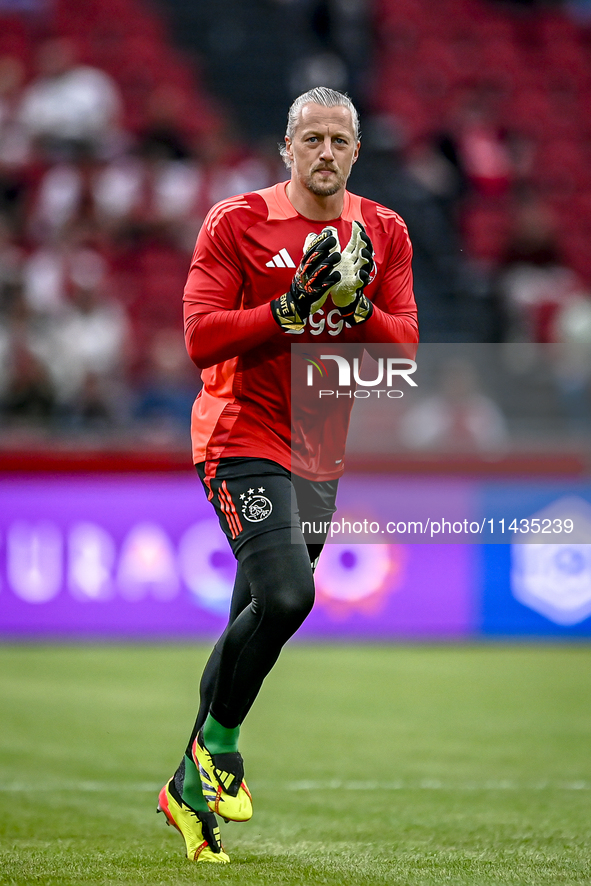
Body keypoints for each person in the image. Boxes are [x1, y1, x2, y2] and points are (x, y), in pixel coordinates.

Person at [156, 86, 418, 863]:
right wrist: (285, 311)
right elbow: (200, 339)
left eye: (339, 140)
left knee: (258, 621)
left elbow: (401, 353)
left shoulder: (384, 232)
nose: (326, 152)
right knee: (286, 595)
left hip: (318, 451)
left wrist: (354, 300)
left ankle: (185, 784)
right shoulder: (236, 222)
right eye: (312, 139)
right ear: (287, 147)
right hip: (240, 433)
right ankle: (223, 748)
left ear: (356, 152)